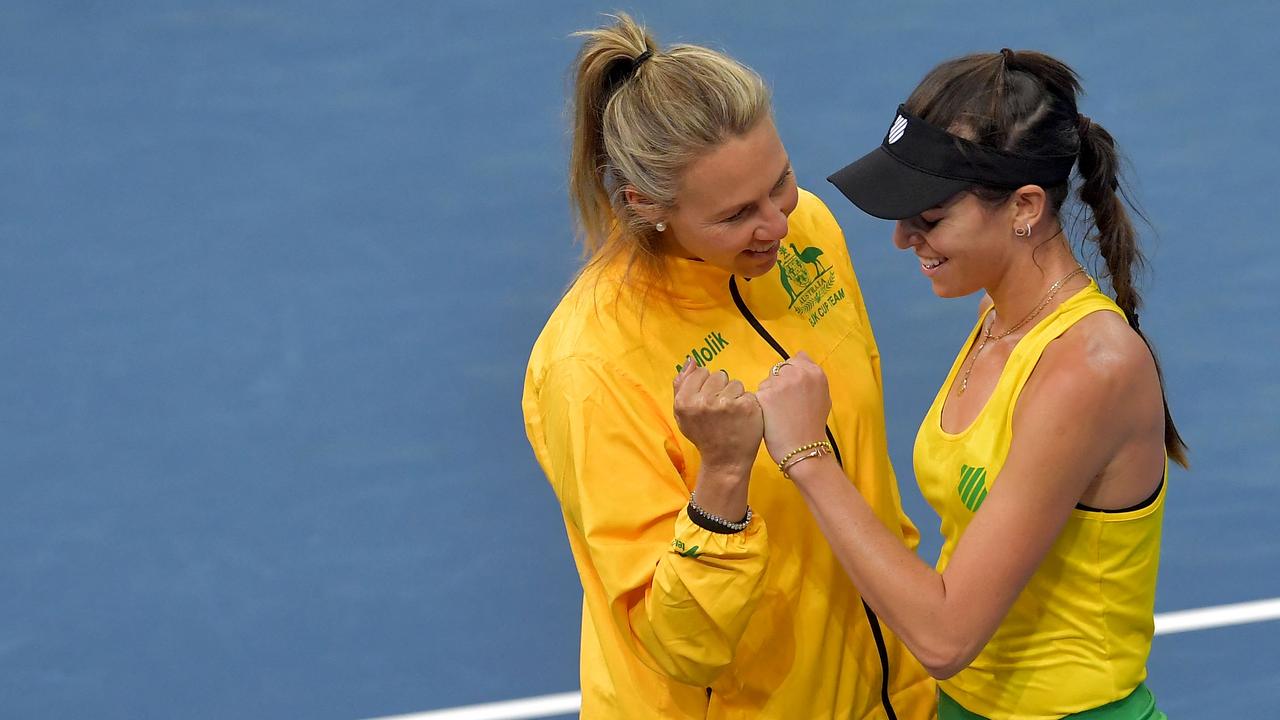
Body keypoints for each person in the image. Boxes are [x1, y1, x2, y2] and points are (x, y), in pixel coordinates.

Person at [522, 13, 935, 720]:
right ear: (644, 205)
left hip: (894, 695)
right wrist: (720, 477)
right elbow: (679, 645)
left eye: (780, 181)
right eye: (737, 214)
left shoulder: (807, 235)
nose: (776, 222)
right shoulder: (588, 368)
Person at [751, 49, 1185, 719]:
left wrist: (809, 458)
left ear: (1025, 207)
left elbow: (945, 636)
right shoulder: (998, 316)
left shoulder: (1089, 369)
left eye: (928, 218)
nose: (901, 239)